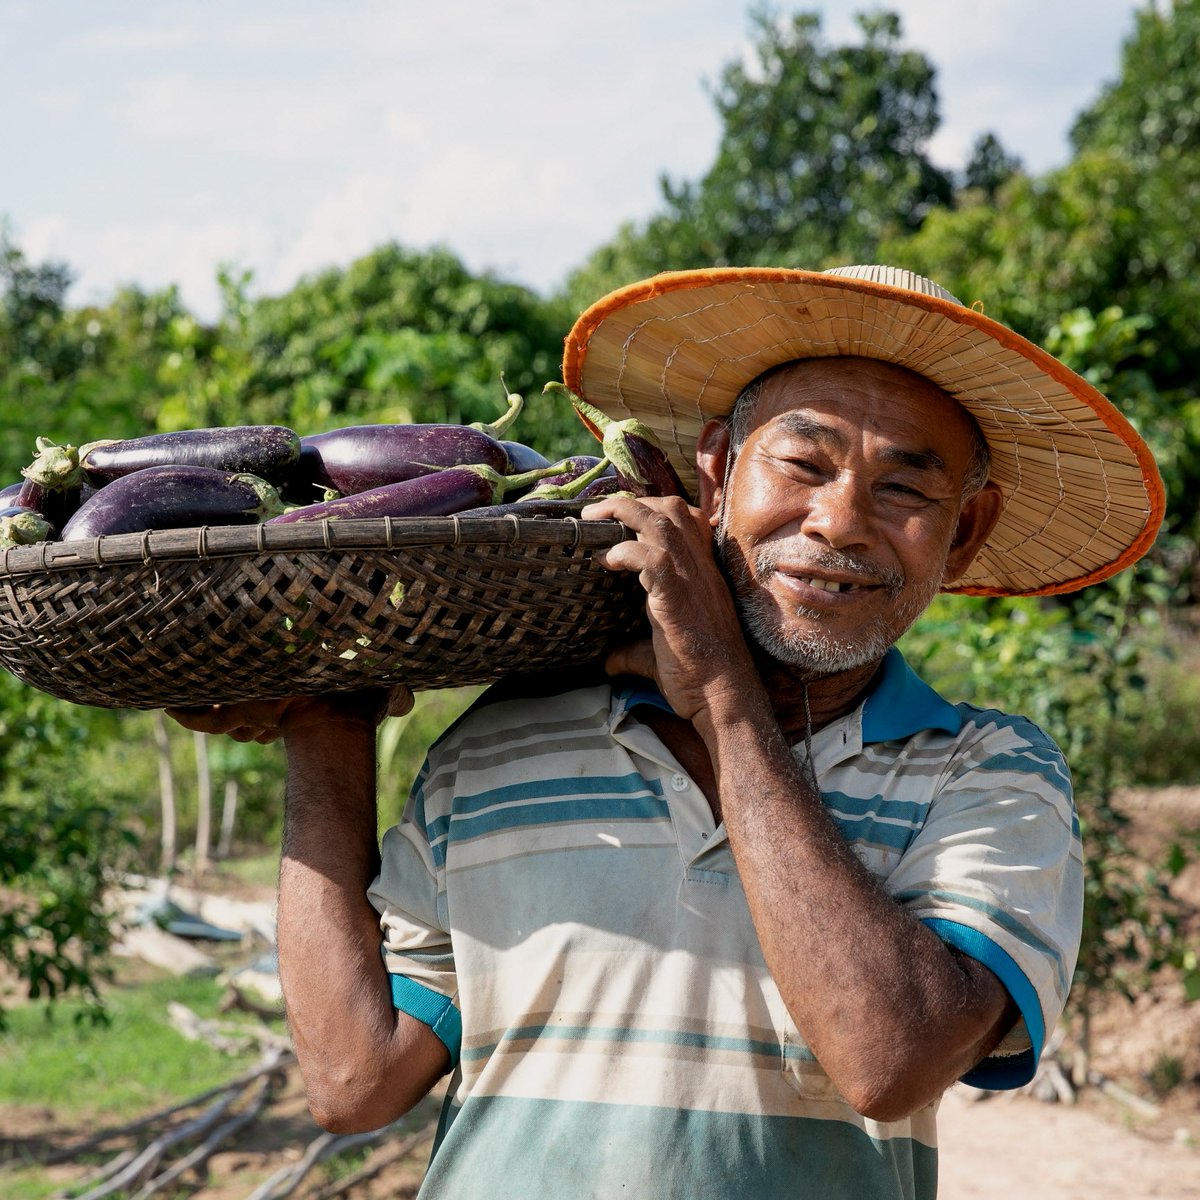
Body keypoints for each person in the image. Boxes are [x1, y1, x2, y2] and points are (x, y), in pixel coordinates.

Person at [170, 265, 1165, 1199]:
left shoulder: (987, 774)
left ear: (967, 531)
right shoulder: (504, 740)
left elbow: (888, 1058)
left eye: (905, 489)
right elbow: (356, 1080)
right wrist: (323, 725)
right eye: (804, 462)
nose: (841, 520)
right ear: (718, 473)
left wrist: (723, 694)